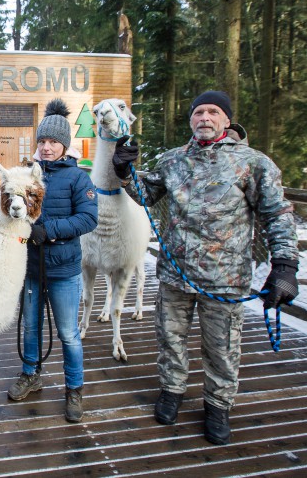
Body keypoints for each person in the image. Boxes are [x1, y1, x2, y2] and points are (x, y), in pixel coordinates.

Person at [112, 90, 299, 445]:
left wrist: (286, 265)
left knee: (222, 347)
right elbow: (144, 194)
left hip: (225, 280)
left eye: (213, 112)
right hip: (175, 276)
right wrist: (123, 169)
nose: (205, 118)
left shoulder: (253, 163)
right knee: (170, 339)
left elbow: (276, 214)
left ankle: (217, 404)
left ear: (227, 120)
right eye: (199, 112)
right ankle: (172, 390)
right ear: (191, 120)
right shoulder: (173, 160)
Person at [6, 98, 98, 423]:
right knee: (31, 325)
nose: (46, 147)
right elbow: (10, 208)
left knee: (68, 333)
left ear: (64, 145)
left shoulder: (78, 179)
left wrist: (51, 230)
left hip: (63, 269)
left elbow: (88, 219)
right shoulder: (26, 175)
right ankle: (31, 373)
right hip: (30, 267)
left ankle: (74, 388)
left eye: (53, 142)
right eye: (42, 141)